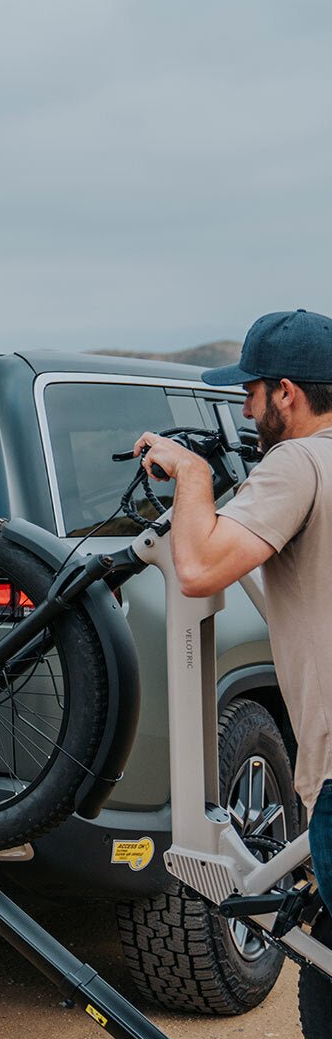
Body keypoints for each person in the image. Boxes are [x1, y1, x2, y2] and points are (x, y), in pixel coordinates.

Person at [132, 308, 332, 907]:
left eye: (251, 393)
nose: (245, 411)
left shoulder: (299, 462)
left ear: (287, 394)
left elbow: (198, 570)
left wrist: (192, 473)